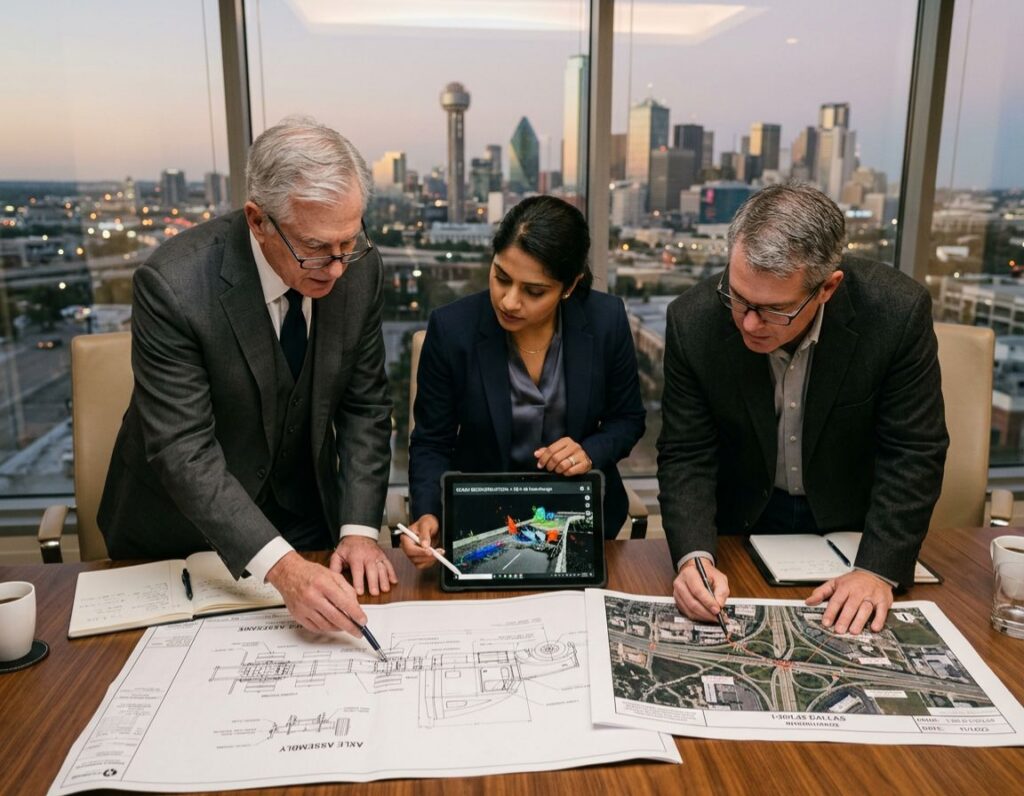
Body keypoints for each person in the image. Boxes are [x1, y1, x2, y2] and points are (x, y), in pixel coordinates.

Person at [98, 116, 395, 636]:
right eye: (316, 248)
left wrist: (359, 530)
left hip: (305, 520)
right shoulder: (173, 284)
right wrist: (283, 570)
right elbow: (183, 450)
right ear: (258, 221)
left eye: (350, 243)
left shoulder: (359, 269)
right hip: (182, 536)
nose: (338, 268)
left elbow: (366, 406)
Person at [657, 183, 948, 636]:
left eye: (775, 310)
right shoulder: (693, 321)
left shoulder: (896, 313)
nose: (749, 324)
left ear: (827, 287)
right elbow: (686, 454)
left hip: (855, 531)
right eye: (739, 298)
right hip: (741, 530)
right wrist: (695, 557)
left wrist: (877, 569)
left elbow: (913, 451)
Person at [401, 195, 646, 566]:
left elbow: (627, 420)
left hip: (581, 521)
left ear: (568, 286)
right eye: (501, 277)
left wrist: (588, 451)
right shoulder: (452, 329)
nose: (509, 302)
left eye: (533, 291)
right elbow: (431, 442)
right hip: (482, 525)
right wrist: (428, 512)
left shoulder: (606, 320)